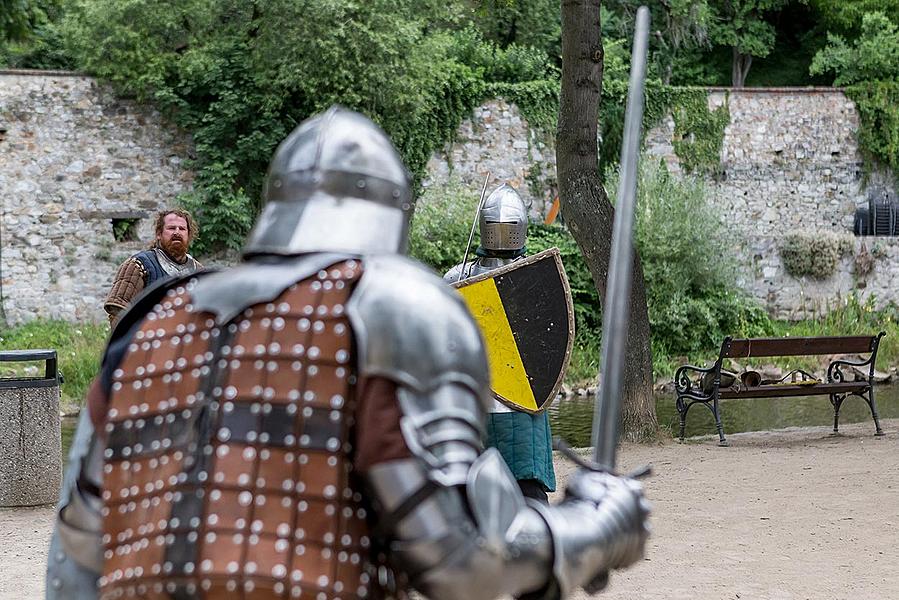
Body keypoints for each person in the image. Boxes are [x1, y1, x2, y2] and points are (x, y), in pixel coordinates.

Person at [46, 106, 649, 600]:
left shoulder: (154, 322)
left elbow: (75, 559)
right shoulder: (386, 306)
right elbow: (463, 560)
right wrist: (596, 528)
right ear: (391, 215)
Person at [444, 183, 556, 504]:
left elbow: (545, 341)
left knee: (527, 490)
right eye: (499, 228)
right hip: (484, 397)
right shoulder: (460, 278)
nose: (503, 235)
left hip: (522, 395)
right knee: (481, 490)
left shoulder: (533, 276)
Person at [103, 209, 202, 324]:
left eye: (182, 229)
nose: (177, 232)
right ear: (159, 234)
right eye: (171, 228)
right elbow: (118, 311)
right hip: (148, 338)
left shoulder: (199, 271)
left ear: (189, 235)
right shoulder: (138, 265)